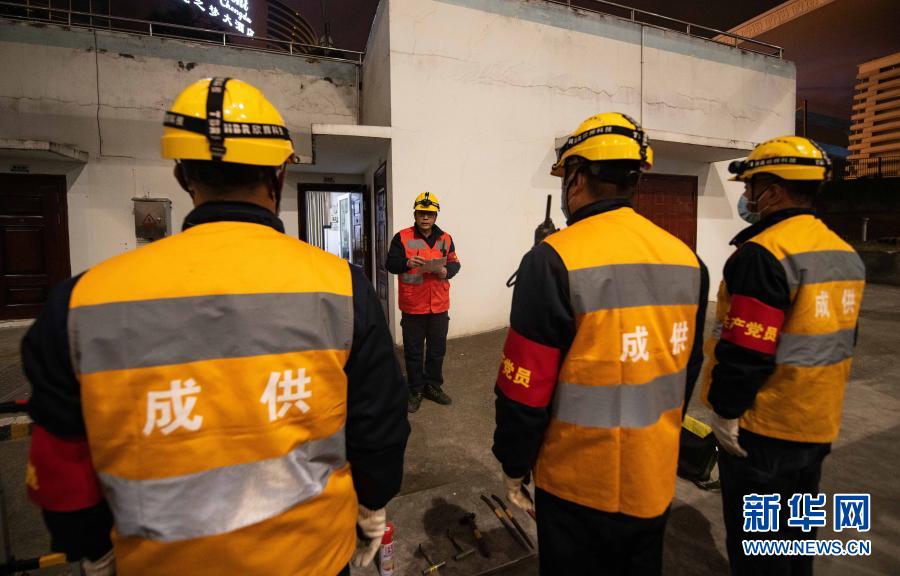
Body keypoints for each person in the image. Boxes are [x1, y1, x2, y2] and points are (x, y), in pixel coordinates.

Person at [21, 77, 409, 575]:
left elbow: (61, 465)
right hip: (313, 557)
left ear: (183, 176)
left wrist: (91, 547)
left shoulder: (81, 303)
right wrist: (372, 503)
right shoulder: (342, 288)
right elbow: (379, 426)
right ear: (279, 176)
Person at [492, 113, 709, 575]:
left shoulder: (551, 260)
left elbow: (524, 387)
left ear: (576, 177)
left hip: (575, 486)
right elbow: (688, 369)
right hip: (652, 478)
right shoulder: (688, 260)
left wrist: (513, 463)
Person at [701, 136, 865, 576]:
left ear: (773, 191)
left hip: (764, 431)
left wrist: (726, 411)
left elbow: (746, 348)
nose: (746, 196)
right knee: (795, 541)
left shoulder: (764, 254)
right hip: (817, 422)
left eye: (750, 186)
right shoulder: (843, 252)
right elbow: (844, 338)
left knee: (759, 551)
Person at [386, 192, 461, 413]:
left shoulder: (446, 238)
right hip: (413, 305)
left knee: (437, 350)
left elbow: (455, 263)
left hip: (439, 304)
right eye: (421, 213)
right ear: (415, 214)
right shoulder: (401, 237)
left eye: (429, 214)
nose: (425, 217)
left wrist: (446, 271)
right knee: (413, 351)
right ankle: (416, 390)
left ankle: (433, 386)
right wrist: (407, 262)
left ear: (436, 216)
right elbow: (390, 263)